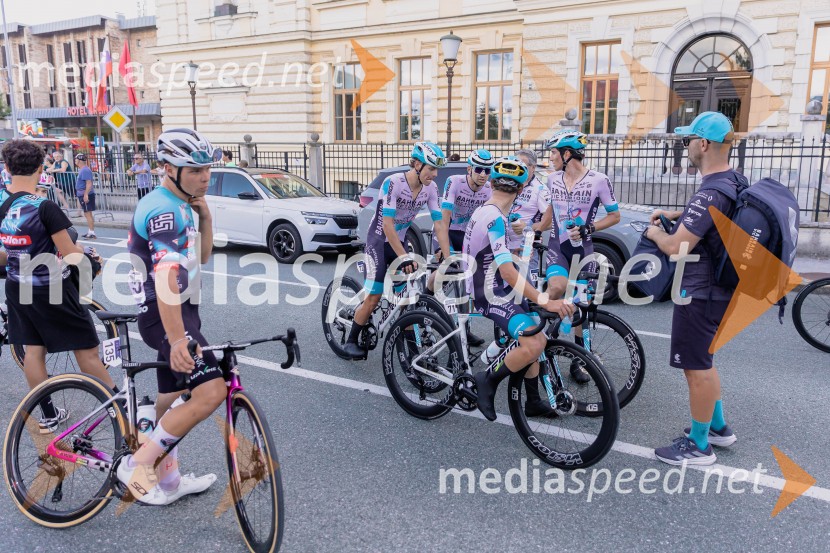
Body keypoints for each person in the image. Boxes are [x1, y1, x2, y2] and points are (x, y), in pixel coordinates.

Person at [119, 128, 222, 505]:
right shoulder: (165, 209)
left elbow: (203, 257)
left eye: (207, 168)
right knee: (211, 390)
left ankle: (169, 481)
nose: (205, 177)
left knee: (171, 398)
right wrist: (178, 339)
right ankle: (137, 465)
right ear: (167, 168)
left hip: (179, 310)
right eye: (194, 170)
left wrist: (206, 217)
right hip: (167, 314)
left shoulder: (183, 203)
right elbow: (164, 277)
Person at [646, 112, 742, 466]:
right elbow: (711, 223)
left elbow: (676, 248)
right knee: (705, 359)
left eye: (688, 140)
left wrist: (656, 232)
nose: (685, 146)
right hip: (722, 288)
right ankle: (717, 426)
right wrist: (680, 214)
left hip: (700, 291)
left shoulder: (711, 193)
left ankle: (700, 445)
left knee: (696, 368)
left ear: (703, 144)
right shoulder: (732, 181)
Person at [0, 139, 115, 432]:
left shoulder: (2, 202)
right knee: (87, 351)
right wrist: (92, 257)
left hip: (16, 284)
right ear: (41, 168)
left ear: (8, 168)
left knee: (33, 351)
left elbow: (3, 252)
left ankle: (48, 414)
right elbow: (72, 254)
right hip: (50, 287)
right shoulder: (45, 206)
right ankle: (118, 407)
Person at [464, 157, 575, 420]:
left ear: (491, 184)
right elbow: (506, 270)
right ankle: (487, 380)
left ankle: (533, 400)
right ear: (521, 190)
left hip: (496, 286)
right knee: (534, 343)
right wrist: (545, 299)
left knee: (535, 327)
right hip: (490, 293)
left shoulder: (488, 212)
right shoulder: (495, 218)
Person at [341, 141, 452, 360]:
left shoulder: (431, 188)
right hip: (378, 242)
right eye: (431, 168)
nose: (434, 173)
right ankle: (351, 340)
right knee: (374, 297)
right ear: (417, 164)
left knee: (407, 299)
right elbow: (387, 225)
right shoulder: (393, 183)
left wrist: (448, 257)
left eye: (436, 169)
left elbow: (439, 223)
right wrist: (403, 257)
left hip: (398, 242)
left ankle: (411, 352)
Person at [544, 130, 621, 384]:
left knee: (580, 306)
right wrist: (534, 228)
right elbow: (548, 210)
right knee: (556, 288)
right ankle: (542, 345)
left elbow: (614, 215)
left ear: (567, 154)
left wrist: (590, 228)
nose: (551, 157)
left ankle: (579, 360)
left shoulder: (599, 180)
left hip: (583, 249)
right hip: (557, 247)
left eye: (554, 153)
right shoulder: (552, 179)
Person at [427, 148, 494, 346]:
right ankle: (425, 298)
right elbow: (444, 216)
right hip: (448, 232)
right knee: (443, 273)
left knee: (466, 284)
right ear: (470, 168)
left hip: (468, 236)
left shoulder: (489, 189)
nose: (483, 175)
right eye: (479, 169)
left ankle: (464, 329)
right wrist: (442, 246)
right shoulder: (455, 181)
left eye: (487, 170)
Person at [507, 148, 552, 278]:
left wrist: (528, 227)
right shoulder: (510, 183)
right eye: (516, 164)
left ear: (532, 167)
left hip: (526, 248)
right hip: (504, 246)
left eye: (523, 165)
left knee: (526, 289)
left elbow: (553, 221)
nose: (518, 167)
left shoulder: (540, 189)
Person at [73, 154, 97, 239]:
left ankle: (92, 232)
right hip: (83, 193)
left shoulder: (85, 170)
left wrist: (86, 194)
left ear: (79, 161)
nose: (75, 161)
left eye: (76, 160)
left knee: (88, 213)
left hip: (85, 194)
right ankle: (90, 231)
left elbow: (89, 183)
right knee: (87, 213)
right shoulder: (83, 170)